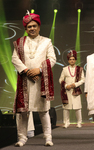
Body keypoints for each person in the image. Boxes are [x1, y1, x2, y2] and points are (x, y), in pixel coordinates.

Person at [12, 11, 56, 146]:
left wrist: (40, 70)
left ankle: (48, 137)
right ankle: (22, 138)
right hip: (25, 80)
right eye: (29, 26)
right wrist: (27, 71)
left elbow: (52, 59)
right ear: (25, 28)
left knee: (43, 111)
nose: (32, 28)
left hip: (41, 81)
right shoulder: (19, 42)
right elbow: (15, 58)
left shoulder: (47, 42)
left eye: (34, 26)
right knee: (23, 112)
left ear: (39, 27)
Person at [59, 50, 85, 128]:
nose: (72, 61)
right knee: (66, 108)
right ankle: (66, 123)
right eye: (70, 59)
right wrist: (66, 85)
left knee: (77, 108)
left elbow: (83, 79)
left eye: (73, 59)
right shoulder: (65, 69)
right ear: (68, 60)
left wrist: (75, 84)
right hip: (67, 91)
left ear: (75, 60)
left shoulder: (80, 69)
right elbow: (61, 79)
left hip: (75, 90)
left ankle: (79, 122)